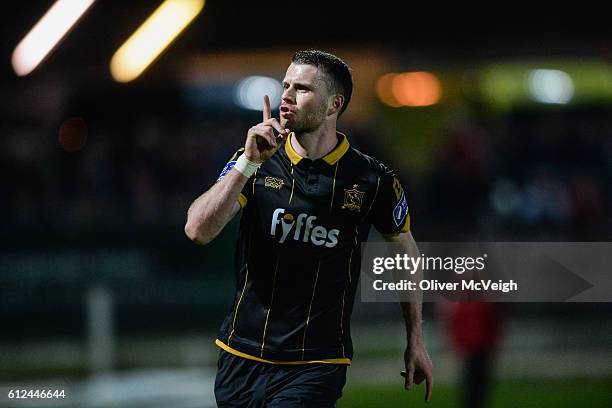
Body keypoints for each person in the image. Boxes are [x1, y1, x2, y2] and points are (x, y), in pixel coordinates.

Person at [185, 50, 433, 407]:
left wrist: (416, 338)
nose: (286, 95)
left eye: (301, 88)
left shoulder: (372, 180)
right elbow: (197, 230)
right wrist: (248, 163)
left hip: (316, 364)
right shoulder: (254, 161)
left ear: (334, 105)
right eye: (285, 84)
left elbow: (405, 252)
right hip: (241, 355)